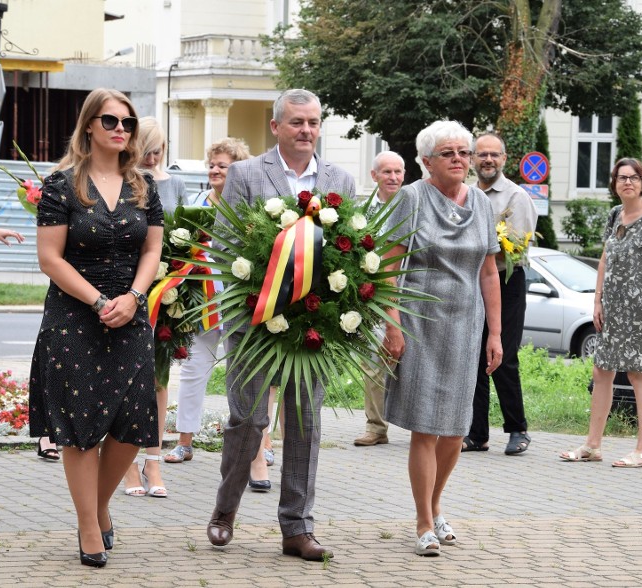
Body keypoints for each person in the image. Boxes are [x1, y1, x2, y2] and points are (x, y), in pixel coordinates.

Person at [206, 89, 356, 561]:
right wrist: (258, 303)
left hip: (314, 324)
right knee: (248, 420)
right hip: (255, 321)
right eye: (296, 122)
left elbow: (349, 248)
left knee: (306, 424)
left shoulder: (340, 180)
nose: (306, 130)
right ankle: (226, 509)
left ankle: (297, 527)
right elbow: (226, 247)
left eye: (312, 122)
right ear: (276, 127)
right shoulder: (248, 174)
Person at [28, 88, 163, 567]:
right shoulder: (62, 184)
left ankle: (99, 506)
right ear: (89, 125)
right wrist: (100, 300)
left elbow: (152, 251)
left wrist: (134, 297)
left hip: (130, 313)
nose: (120, 130)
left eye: (127, 122)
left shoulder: (143, 185)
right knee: (80, 426)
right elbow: (49, 258)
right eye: (110, 121)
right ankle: (89, 525)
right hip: (74, 316)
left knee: (131, 423)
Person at [382, 120, 502, 557]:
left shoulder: (483, 205)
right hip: (419, 324)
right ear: (427, 160)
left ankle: (436, 506)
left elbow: (489, 272)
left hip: (466, 326)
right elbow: (388, 268)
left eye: (464, 152)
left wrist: (497, 333)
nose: (459, 159)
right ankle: (422, 521)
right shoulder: (411, 198)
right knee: (426, 428)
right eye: (449, 152)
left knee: (456, 430)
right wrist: (392, 325)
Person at [162, 137, 275, 490]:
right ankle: (184, 441)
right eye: (211, 164)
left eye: (222, 166)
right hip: (204, 301)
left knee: (251, 374)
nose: (214, 170)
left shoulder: (250, 208)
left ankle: (264, 444)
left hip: (240, 302)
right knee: (195, 368)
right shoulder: (195, 203)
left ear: (237, 171)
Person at [560, 158, 642, 468]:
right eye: (622, 177)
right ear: (614, 183)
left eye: (634, 177)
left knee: (639, 374)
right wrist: (597, 302)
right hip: (613, 308)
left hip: (641, 309)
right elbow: (604, 260)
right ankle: (592, 445)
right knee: (601, 371)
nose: (628, 182)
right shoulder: (615, 214)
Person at [121, 116, 186, 498]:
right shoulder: (121, 183)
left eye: (158, 150)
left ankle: (153, 461)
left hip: (169, 293)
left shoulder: (174, 183)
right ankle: (127, 466)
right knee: (125, 380)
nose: (151, 157)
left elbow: (187, 235)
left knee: (159, 379)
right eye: (145, 149)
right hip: (126, 290)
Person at [464, 133, 537, 455]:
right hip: (471, 284)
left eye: (494, 155)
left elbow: (517, 247)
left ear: (504, 159)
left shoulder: (516, 197)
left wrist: (480, 251)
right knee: (473, 359)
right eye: (482, 155)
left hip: (506, 283)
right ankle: (476, 434)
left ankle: (517, 429)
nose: (488, 160)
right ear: (472, 160)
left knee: (503, 356)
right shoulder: (465, 195)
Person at [353, 151, 405, 447]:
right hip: (375, 296)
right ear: (374, 176)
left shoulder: (414, 206)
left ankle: (423, 427)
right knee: (374, 361)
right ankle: (376, 427)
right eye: (387, 172)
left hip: (411, 293)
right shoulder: (363, 213)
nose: (394, 178)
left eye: (398, 172)